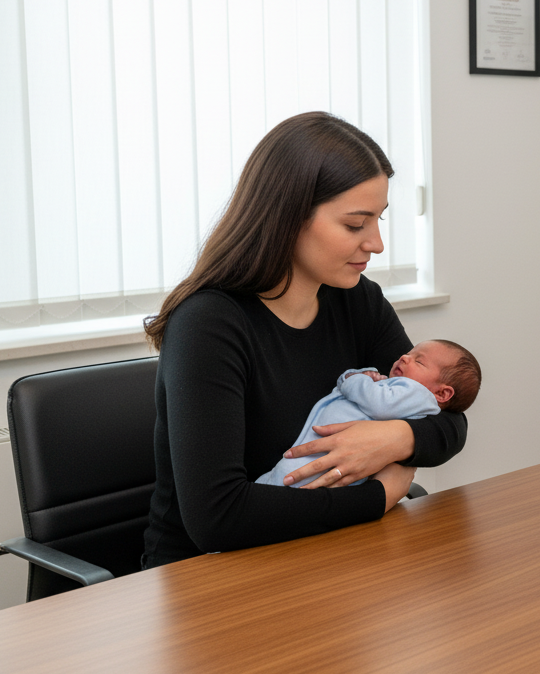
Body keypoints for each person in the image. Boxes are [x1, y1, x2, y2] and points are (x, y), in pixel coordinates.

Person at [141, 112, 467, 568]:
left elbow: (448, 417)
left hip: (323, 556)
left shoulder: (357, 302)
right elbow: (218, 518)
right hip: (207, 579)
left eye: (379, 220)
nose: (376, 243)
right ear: (287, 217)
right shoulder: (208, 325)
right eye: (355, 224)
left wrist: (393, 439)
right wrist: (381, 493)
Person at [257, 340, 481, 488]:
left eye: (419, 360)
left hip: (325, 457)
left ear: (442, 393)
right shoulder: (402, 391)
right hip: (325, 456)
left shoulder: (417, 394)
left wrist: (354, 378)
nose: (404, 357)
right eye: (409, 353)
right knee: (277, 481)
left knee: (283, 480)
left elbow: (379, 405)